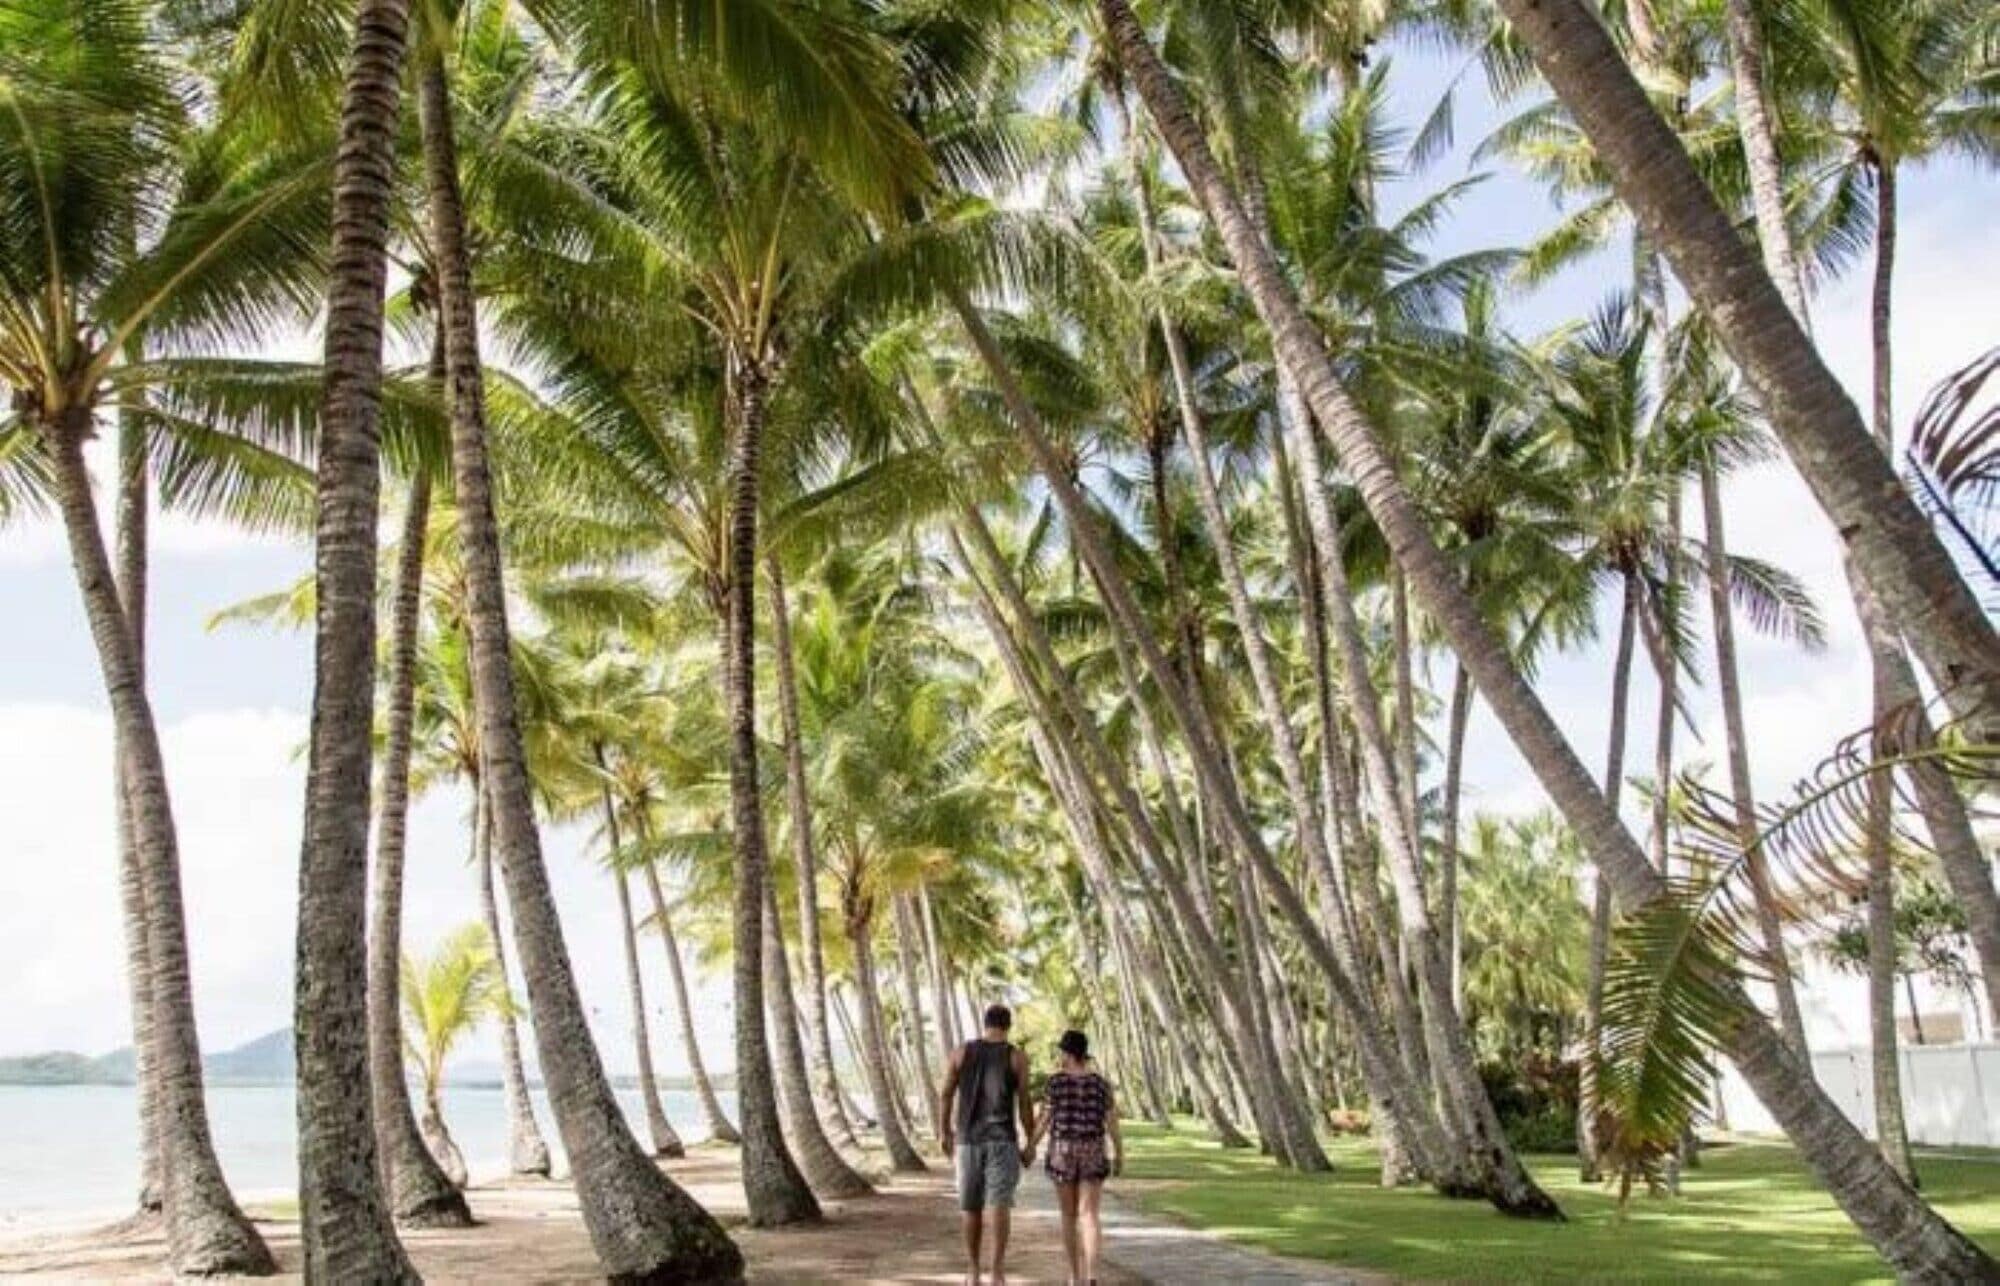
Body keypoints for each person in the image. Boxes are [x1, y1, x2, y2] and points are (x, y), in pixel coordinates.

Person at [939, 1004, 1035, 1286]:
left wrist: (944, 1131)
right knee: (999, 1206)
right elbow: (1025, 1103)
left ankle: (972, 1271)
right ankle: (997, 1272)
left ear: (985, 1024)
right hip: (1002, 1141)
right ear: (1008, 1026)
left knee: (971, 1207)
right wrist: (1030, 1142)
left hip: (967, 1141)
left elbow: (945, 1094)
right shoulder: (1017, 1057)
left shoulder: (961, 1052)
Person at [1025, 1029, 1123, 1286]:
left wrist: (1030, 1147)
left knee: (1068, 1216)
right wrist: (1119, 1152)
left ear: (1067, 1054)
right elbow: (1112, 1122)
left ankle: (1073, 1276)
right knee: (1090, 1215)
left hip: (1063, 1150)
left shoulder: (1055, 1083)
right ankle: (1092, 1275)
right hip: (1093, 1149)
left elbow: (1045, 1120)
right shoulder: (1101, 1084)